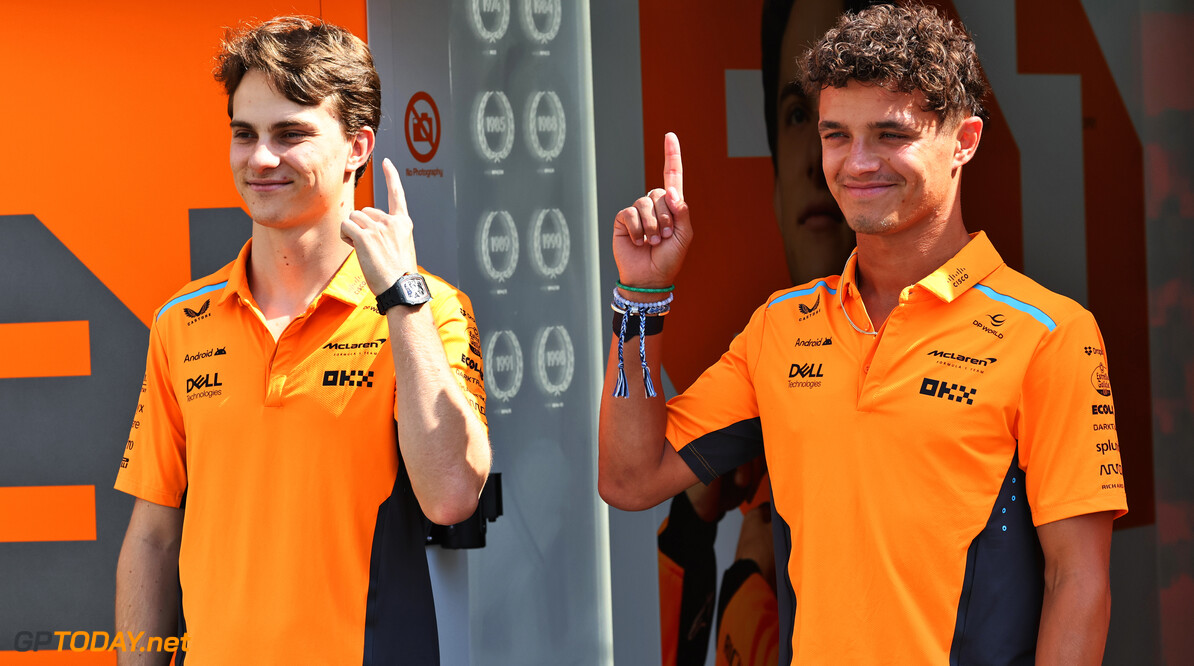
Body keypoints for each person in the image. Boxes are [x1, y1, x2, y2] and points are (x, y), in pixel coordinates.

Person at [600, 3, 1128, 664]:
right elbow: (629, 478)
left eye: (889, 134)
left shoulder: (1050, 336)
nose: (857, 163)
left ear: (964, 140)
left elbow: (1078, 583)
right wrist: (641, 297)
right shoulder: (779, 327)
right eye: (834, 135)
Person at [113, 16, 491, 665]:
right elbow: (152, 538)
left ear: (357, 148)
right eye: (245, 134)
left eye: (290, 134)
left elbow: (453, 495)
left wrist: (400, 295)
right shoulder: (182, 321)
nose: (260, 158)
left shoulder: (427, 308)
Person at [657, 2, 868, 664]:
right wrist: (701, 523)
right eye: (799, 116)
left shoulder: (998, 338)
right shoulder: (766, 354)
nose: (815, 161)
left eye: (842, 111)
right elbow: (627, 477)